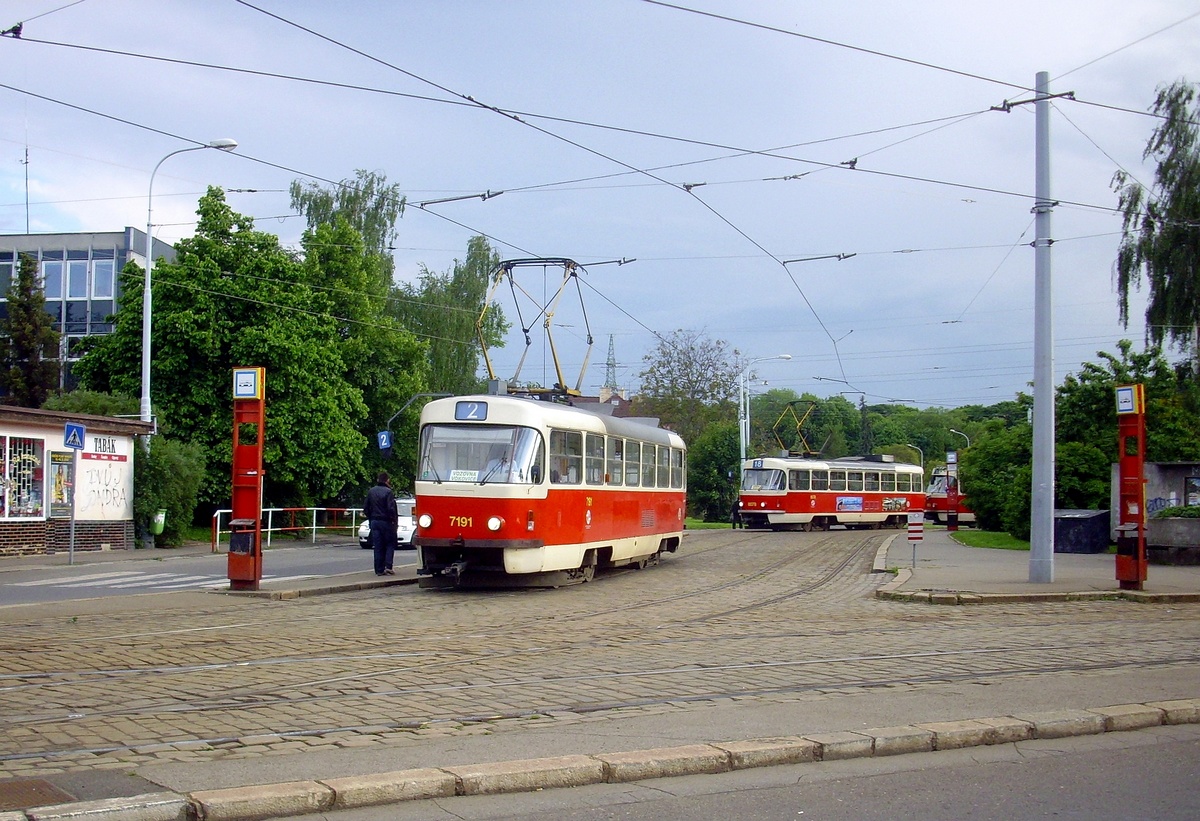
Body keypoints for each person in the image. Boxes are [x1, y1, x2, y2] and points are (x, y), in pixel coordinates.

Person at [363, 472, 398, 576]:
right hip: (386, 522)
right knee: (390, 544)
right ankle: (388, 566)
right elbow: (391, 508)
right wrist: (393, 521)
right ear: (387, 480)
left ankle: (379, 570)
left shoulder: (371, 491)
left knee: (378, 546)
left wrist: (371, 518)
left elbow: (366, 508)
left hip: (374, 522)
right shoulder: (388, 492)